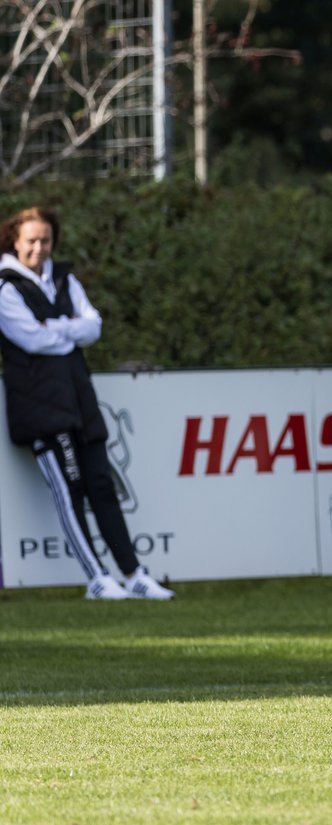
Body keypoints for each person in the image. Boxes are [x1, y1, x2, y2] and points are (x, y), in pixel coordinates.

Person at [0, 207, 174, 600]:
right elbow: (30, 339)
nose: (39, 248)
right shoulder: (5, 286)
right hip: (41, 410)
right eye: (31, 240)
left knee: (101, 486)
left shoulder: (64, 277)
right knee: (71, 489)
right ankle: (96, 577)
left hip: (80, 402)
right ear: (15, 240)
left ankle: (134, 575)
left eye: (45, 240)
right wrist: (68, 331)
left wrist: (57, 329)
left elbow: (92, 327)